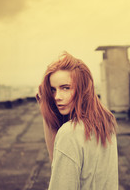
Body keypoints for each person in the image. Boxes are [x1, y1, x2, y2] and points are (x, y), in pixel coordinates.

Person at [36, 52, 118, 190]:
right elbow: (58, 163)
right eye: (53, 90)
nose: (57, 97)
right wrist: (46, 110)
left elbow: (60, 183)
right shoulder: (105, 123)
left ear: (82, 88)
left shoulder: (69, 132)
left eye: (65, 88)